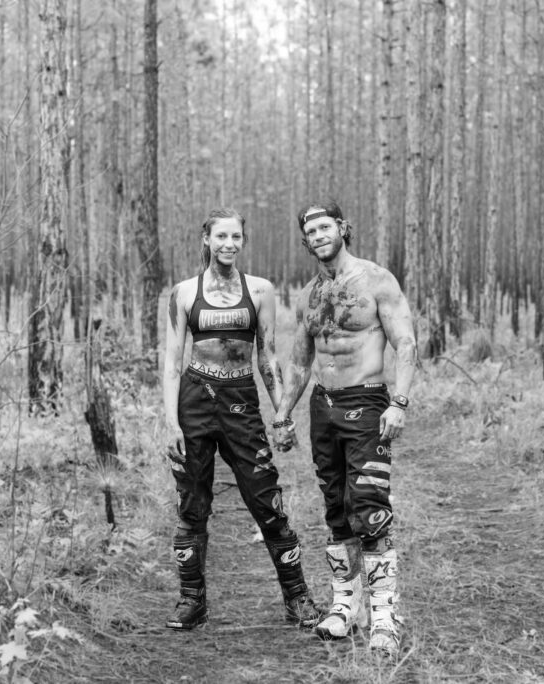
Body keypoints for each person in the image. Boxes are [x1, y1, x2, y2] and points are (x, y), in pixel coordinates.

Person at [162, 208, 321, 631]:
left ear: (243, 242)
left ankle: (297, 598)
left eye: (236, 237)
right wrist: (170, 422)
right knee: (191, 506)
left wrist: (282, 414)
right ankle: (191, 602)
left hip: (240, 403)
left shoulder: (261, 290)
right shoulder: (183, 293)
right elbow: (172, 361)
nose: (229, 244)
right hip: (194, 401)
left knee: (267, 500)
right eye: (221, 236)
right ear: (206, 239)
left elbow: (268, 357)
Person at [273, 201, 417, 658]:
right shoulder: (309, 295)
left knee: (369, 506)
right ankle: (345, 605)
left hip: (367, 401)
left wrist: (399, 402)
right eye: (309, 230)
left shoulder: (377, 279)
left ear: (342, 228)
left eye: (324, 226)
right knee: (336, 506)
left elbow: (406, 341)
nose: (317, 235)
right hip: (324, 406)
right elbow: (299, 360)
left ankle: (385, 615)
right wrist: (282, 414)